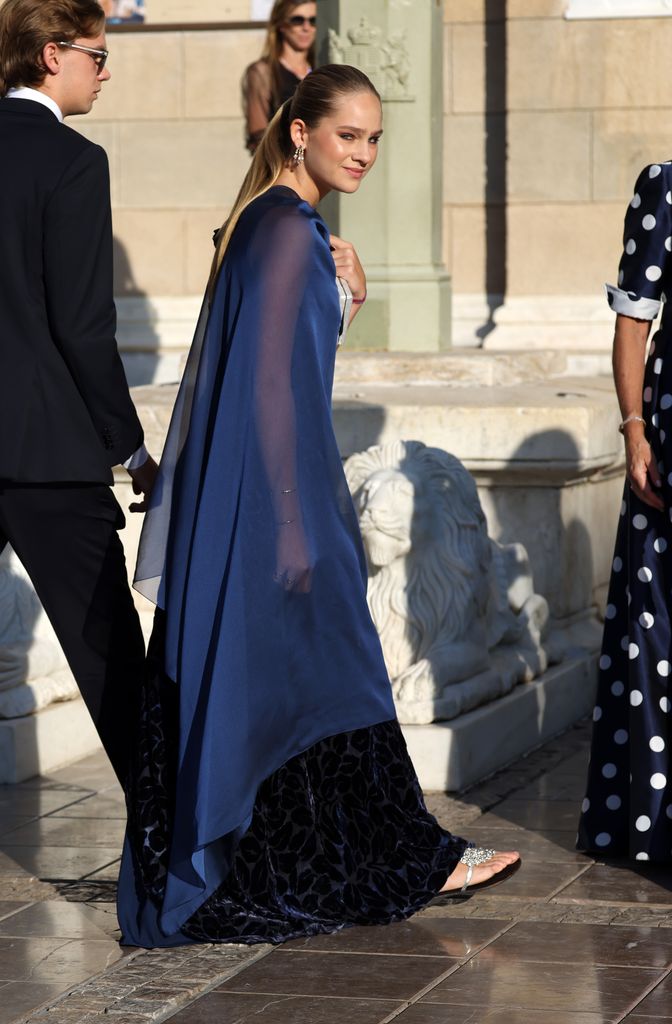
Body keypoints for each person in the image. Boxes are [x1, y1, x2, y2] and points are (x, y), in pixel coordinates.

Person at [117, 64, 519, 948]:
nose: (365, 153)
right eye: (349, 135)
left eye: (376, 139)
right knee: (333, 674)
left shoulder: (271, 223)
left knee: (304, 683)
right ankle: (406, 857)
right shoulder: (288, 230)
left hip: (266, 502)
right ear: (300, 131)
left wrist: (345, 301)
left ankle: (371, 855)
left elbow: (279, 363)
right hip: (281, 506)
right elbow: (265, 388)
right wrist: (297, 524)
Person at [0, 0, 156, 786]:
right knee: (113, 670)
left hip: (39, 448)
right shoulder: (72, 160)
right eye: (98, 55)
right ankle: (173, 875)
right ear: (51, 54)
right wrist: (131, 446)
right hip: (49, 455)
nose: (105, 71)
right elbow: (84, 326)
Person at [578, 162, 672, 861]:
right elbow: (633, 321)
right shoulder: (664, 186)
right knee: (660, 630)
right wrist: (634, 426)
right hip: (667, 438)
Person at [242, 0, 315, 154]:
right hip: (283, 165)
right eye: (297, 20)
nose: (306, 27)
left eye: (313, 21)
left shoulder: (321, 67)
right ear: (281, 25)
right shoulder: (263, 72)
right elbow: (258, 136)